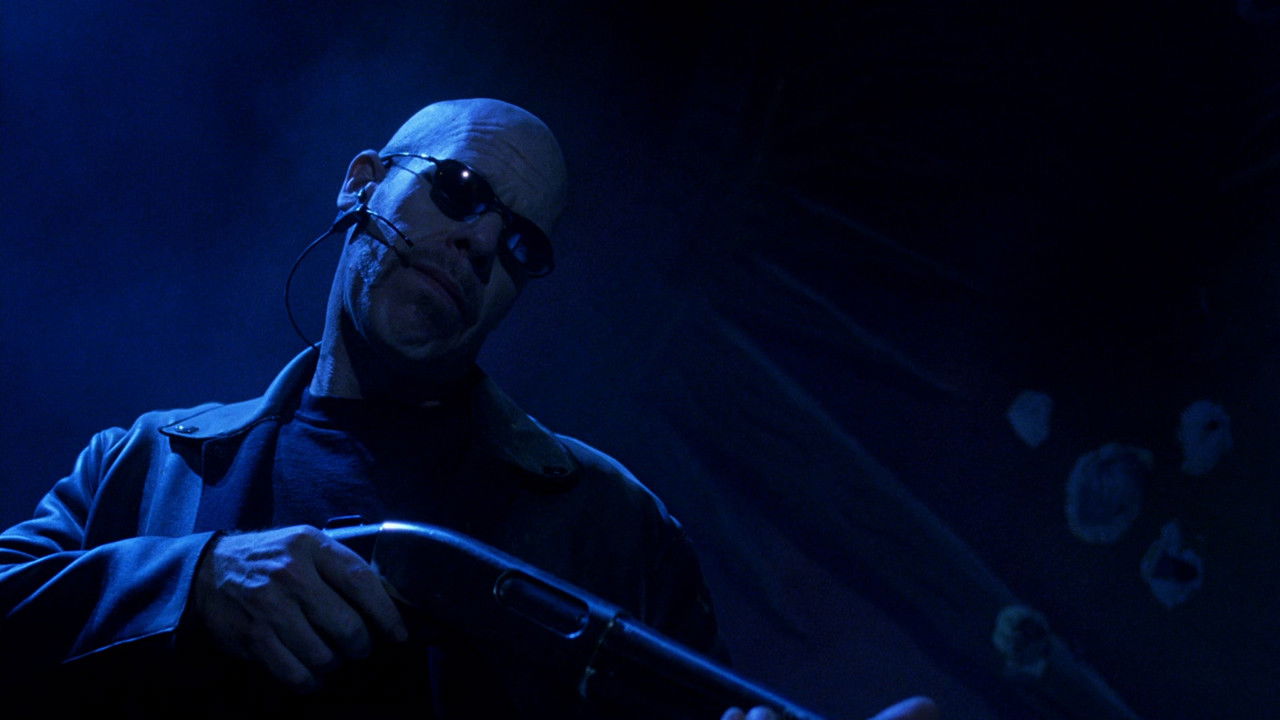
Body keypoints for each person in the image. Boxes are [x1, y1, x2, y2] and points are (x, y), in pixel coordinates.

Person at [0, 98, 935, 720]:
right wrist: (195, 580)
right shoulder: (146, 461)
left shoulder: (614, 524)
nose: (482, 243)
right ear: (362, 182)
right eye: (459, 190)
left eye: (522, 246)